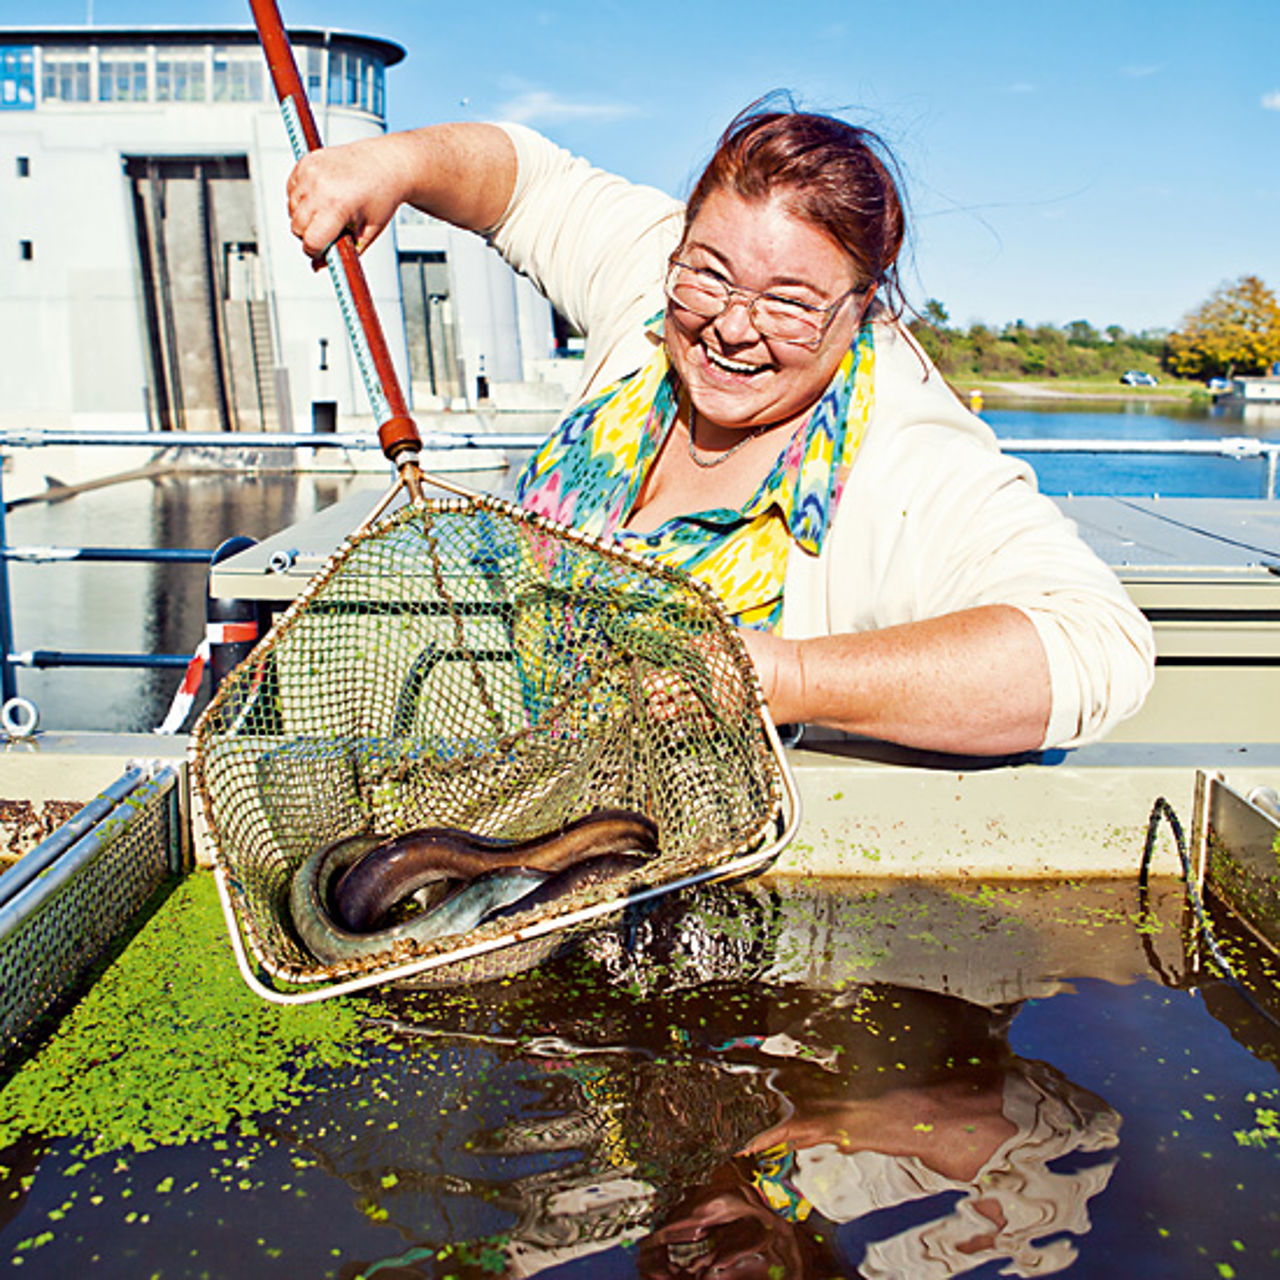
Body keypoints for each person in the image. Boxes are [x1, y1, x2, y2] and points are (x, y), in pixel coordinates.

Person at [286, 102, 1156, 756]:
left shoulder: (907, 449)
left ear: (862, 308)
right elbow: (526, 179)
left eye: (790, 303)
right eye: (708, 278)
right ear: (682, 246)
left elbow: (1095, 645)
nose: (734, 326)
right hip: (494, 786)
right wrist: (394, 161)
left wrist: (787, 677)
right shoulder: (657, 272)